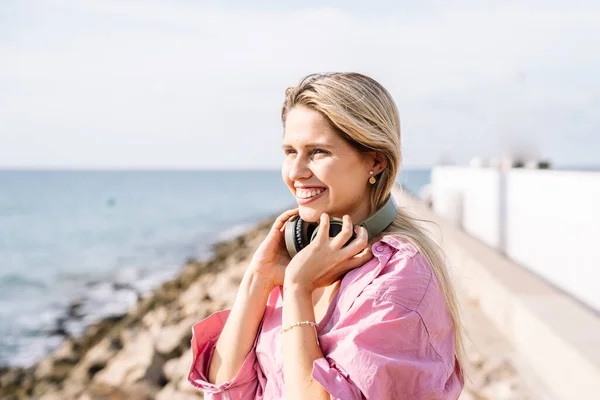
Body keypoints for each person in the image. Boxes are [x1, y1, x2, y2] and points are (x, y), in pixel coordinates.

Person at [188, 72, 465, 399]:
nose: (295, 172)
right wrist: (257, 280)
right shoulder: (303, 258)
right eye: (290, 152)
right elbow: (224, 388)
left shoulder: (397, 281)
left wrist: (297, 290)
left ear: (375, 162)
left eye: (317, 152)